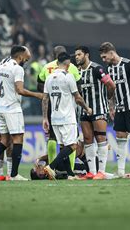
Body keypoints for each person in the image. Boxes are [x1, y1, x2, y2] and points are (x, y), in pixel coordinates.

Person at [0, 46, 43, 181]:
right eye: (26, 60)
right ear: (20, 57)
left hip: (1, 109)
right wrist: (38, 95)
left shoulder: (2, 67)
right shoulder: (17, 69)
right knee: (17, 140)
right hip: (12, 108)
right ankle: (14, 174)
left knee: (4, 141)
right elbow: (20, 90)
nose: (25, 62)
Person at [99, 42, 130, 179]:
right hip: (119, 109)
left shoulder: (128, 64)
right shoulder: (109, 69)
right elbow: (111, 89)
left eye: (104, 57)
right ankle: (121, 171)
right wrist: (111, 106)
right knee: (120, 137)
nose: (103, 60)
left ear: (111, 53)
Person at [42, 52, 93, 180]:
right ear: (68, 64)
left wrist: (45, 118)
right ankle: (51, 166)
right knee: (73, 146)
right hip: (67, 117)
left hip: (54, 118)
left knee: (63, 147)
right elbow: (78, 98)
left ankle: (70, 174)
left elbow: (44, 99)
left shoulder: (49, 77)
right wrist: (87, 108)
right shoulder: (68, 77)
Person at [74, 45, 116, 180]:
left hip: (99, 109)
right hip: (84, 110)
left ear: (86, 55)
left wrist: (107, 99)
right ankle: (91, 172)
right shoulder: (77, 72)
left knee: (101, 138)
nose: (77, 57)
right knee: (87, 140)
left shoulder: (97, 69)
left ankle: (102, 172)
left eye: (79, 55)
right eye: (76, 55)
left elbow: (111, 85)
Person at [37, 46, 81, 167]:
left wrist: (51, 93)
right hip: (67, 107)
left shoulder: (46, 67)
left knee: (52, 137)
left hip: (52, 106)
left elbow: (39, 84)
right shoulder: (72, 67)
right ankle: (66, 169)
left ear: (53, 56)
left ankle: (53, 166)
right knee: (71, 141)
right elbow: (78, 87)